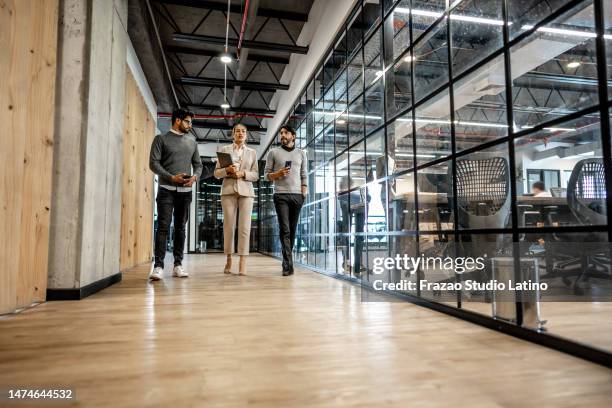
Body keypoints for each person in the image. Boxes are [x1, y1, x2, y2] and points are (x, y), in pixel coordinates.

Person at [148, 108, 203, 280]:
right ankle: (158, 266)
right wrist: (171, 177)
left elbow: (199, 165)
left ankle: (178, 265)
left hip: (186, 192)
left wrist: (195, 177)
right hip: (166, 190)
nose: (190, 125)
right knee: (163, 228)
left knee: (180, 229)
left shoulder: (192, 142)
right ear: (177, 120)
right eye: (188, 121)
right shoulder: (161, 139)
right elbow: (153, 164)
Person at [214, 124, 259, 276]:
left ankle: (242, 262)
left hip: (246, 192)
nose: (241, 133)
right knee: (228, 226)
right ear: (232, 134)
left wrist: (243, 174)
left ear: (246, 135)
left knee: (245, 227)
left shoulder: (252, 152)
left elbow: (256, 175)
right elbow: (216, 174)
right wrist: (227, 170)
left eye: (243, 131)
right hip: (228, 190)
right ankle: (228, 259)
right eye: (238, 131)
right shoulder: (224, 150)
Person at [264, 124, 308, 276]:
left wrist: (304, 189)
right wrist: (278, 174)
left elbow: (304, 173)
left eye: (286, 133)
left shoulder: (301, 153)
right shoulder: (273, 152)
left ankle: (287, 261)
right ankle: (288, 264)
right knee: (285, 229)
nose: (282, 135)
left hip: (297, 195)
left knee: (293, 230)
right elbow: (266, 175)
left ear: (293, 136)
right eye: (281, 133)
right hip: (280, 195)